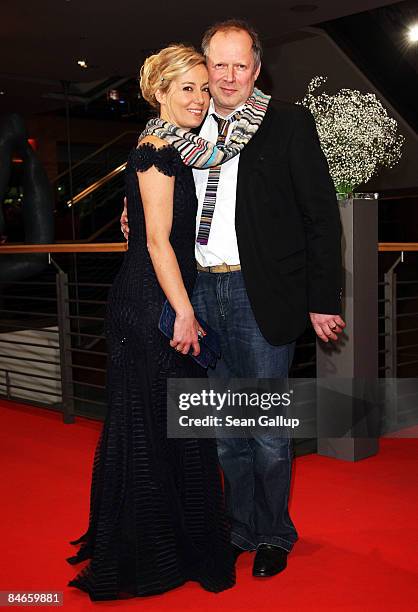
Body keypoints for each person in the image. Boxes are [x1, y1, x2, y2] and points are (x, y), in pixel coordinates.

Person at [121, 20, 345, 579]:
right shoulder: (184, 128)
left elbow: (321, 217)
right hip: (198, 290)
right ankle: (239, 525)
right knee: (223, 431)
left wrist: (322, 298)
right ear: (203, 67)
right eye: (216, 65)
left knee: (268, 431)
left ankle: (274, 533)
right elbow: (156, 194)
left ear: (256, 68)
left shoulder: (287, 123)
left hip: (259, 292)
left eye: (238, 65)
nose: (226, 77)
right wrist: (129, 210)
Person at [66, 44, 241, 601]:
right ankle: (156, 549)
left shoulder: (163, 145)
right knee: (163, 430)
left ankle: (162, 536)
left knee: (160, 428)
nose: (197, 97)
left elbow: (144, 221)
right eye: (184, 88)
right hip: (154, 307)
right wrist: (185, 313)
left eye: (201, 87)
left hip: (147, 298)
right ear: (159, 93)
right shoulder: (159, 152)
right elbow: (158, 240)